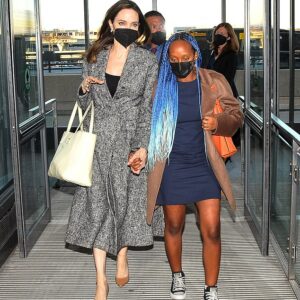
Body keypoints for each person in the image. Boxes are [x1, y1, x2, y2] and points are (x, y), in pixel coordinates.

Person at [64, 1, 158, 300]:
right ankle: (100, 280)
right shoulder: (94, 57)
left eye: (134, 24)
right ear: (110, 25)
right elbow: (84, 107)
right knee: (98, 208)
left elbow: (148, 108)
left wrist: (142, 146)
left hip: (130, 140)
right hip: (98, 141)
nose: (128, 28)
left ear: (139, 28)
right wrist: (83, 89)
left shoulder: (147, 61)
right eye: (123, 22)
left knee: (127, 204)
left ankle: (123, 254)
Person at [146, 32, 243, 300]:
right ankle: (177, 275)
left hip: (205, 165)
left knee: (212, 228)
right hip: (172, 166)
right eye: (174, 59)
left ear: (195, 56)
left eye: (185, 58)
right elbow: (145, 126)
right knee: (174, 225)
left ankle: (211, 287)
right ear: (167, 60)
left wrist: (218, 124)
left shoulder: (214, 81)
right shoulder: (160, 87)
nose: (180, 64)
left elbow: (236, 116)